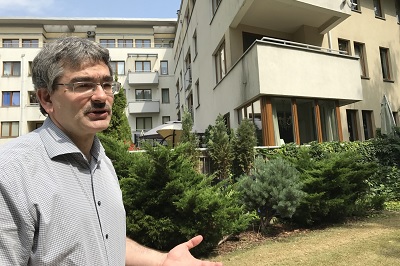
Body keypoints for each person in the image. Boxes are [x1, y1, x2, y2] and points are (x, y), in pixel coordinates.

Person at [0, 36, 222, 266]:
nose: (100, 96)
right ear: (46, 98)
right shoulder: (12, 173)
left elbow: (104, 238)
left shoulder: (101, 160)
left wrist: (163, 260)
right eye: (83, 85)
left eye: (107, 85)